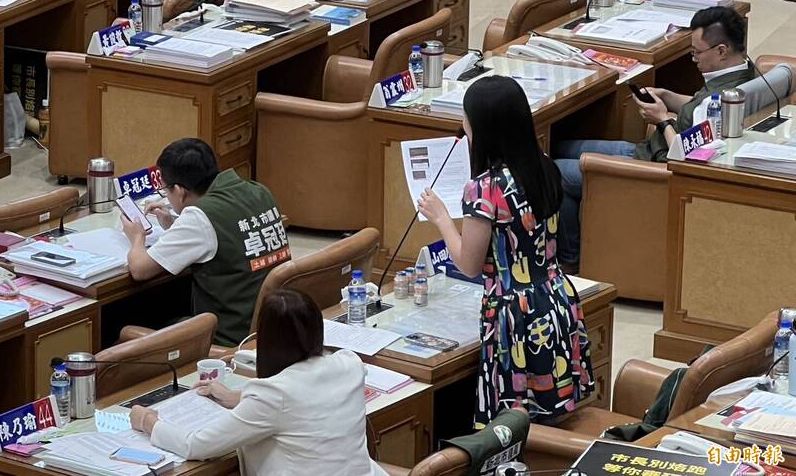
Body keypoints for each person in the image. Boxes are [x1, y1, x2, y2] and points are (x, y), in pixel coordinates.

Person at [417, 76, 594, 427]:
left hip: (513, 315)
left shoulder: (484, 188)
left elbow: (468, 263)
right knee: (553, 407)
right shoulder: (544, 165)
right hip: (557, 299)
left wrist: (441, 218)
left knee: (512, 421)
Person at [553, 6, 754, 274]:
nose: (692, 58)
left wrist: (662, 119)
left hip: (655, 170)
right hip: (646, 151)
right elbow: (699, 108)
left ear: (721, 51)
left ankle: (570, 260)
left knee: (553, 171)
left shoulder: (718, 100)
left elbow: (686, 156)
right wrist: (667, 96)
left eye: (696, 52)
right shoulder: (744, 77)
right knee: (561, 144)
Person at [129, 289, 386, 476]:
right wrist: (237, 398)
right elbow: (307, 399)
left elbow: (195, 445)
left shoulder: (274, 394)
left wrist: (148, 421)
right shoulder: (349, 363)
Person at [121, 138, 290, 346]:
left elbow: (140, 269)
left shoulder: (200, 216)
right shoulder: (257, 190)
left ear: (180, 191)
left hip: (229, 337)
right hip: (273, 325)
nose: (166, 195)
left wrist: (137, 237)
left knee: (123, 332)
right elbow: (225, 234)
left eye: (165, 190)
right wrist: (173, 223)